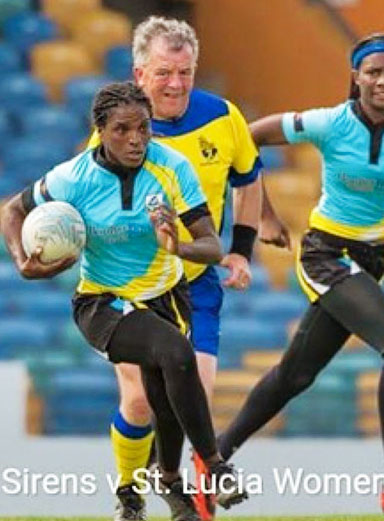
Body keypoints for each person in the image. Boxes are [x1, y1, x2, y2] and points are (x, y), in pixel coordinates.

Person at [212, 33, 384, 518]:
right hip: (326, 254)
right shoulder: (327, 123)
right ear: (356, 76)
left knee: (296, 375)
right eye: (374, 71)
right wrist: (262, 213)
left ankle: (211, 459)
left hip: (375, 259)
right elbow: (246, 138)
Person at [0, 82, 248, 521]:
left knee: (164, 391)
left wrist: (177, 248)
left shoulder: (173, 167)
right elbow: (10, 211)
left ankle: (154, 488)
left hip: (168, 297)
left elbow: (211, 246)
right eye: (122, 130)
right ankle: (215, 466)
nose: (136, 139)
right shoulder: (72, 177)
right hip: (102, 303)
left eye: (144, 128)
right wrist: (22, 262)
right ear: (100, 130)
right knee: (175, 352)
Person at [84, 17, 284, 521]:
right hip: (130, 291)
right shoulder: (113, 133)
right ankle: (130, 493)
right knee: (140, 404)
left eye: (186, 72)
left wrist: (241, 250)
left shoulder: (223, 116)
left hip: (194, 285)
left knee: (196, 392)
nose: (175, 84)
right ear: (139, 72)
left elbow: (248, 177)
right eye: (164, 72)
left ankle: (191, 503)